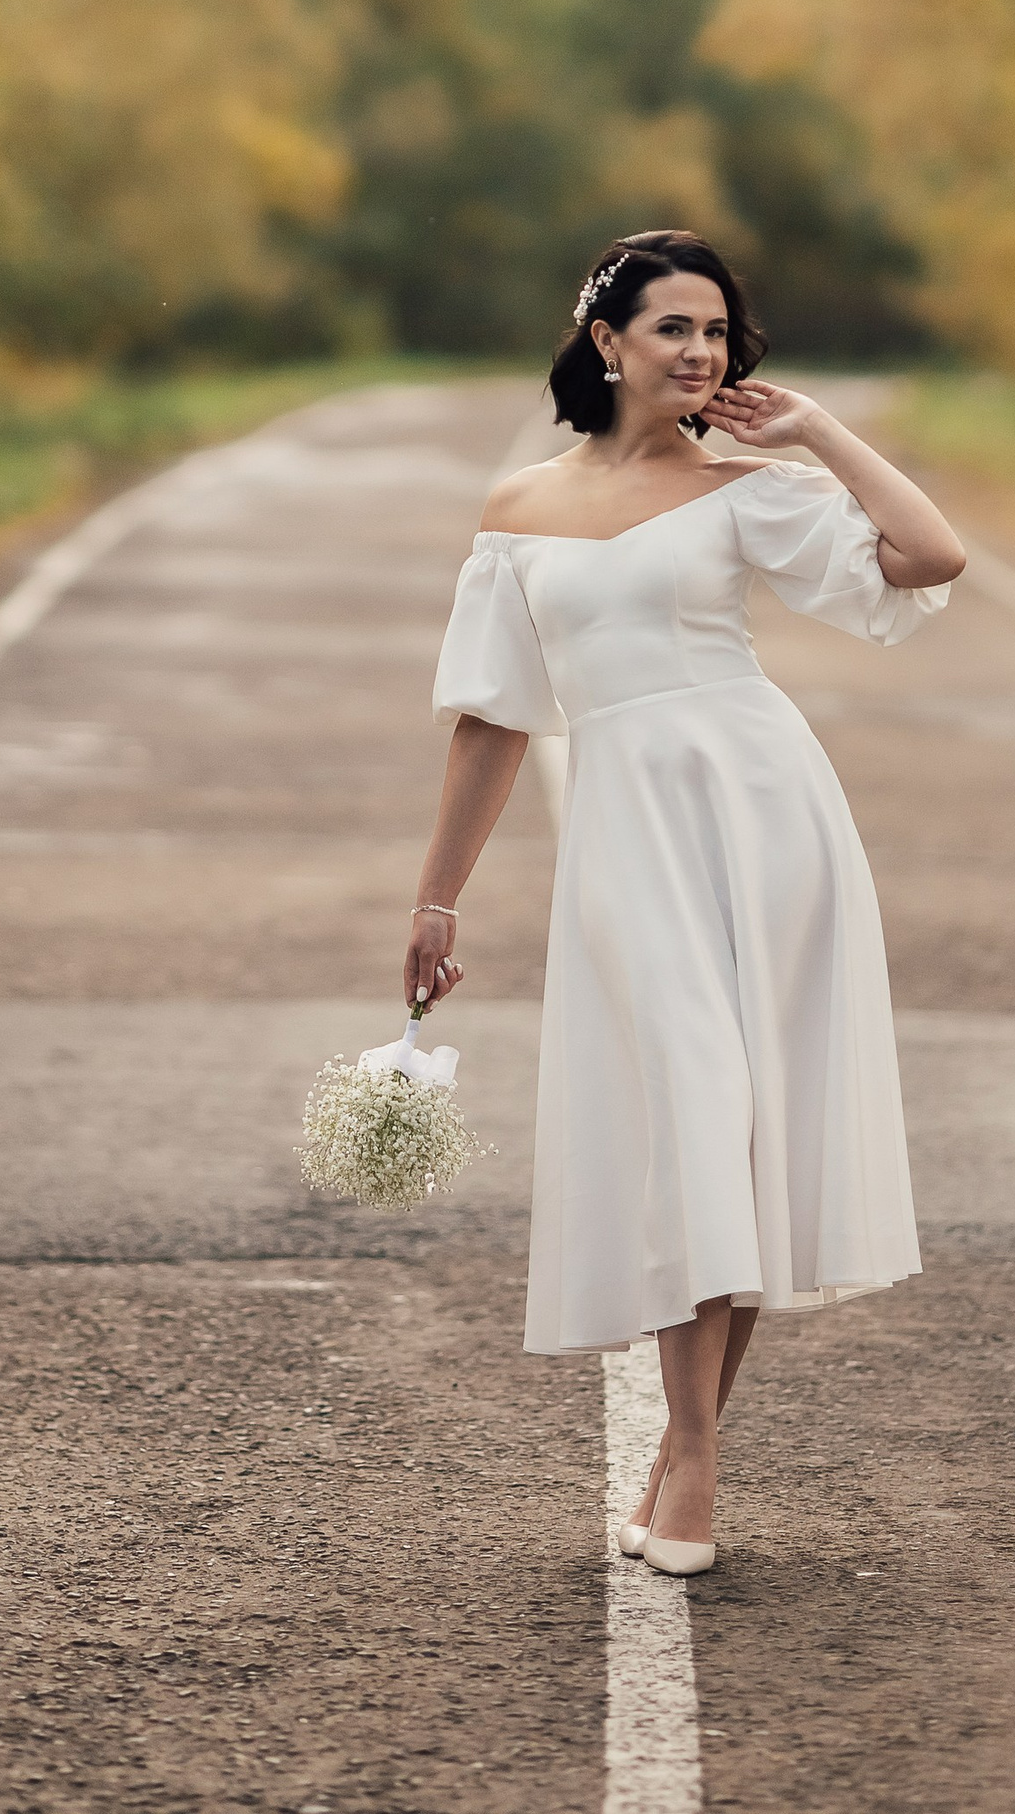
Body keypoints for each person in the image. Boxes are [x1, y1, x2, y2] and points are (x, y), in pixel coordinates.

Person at [403, 225, 966, 1579]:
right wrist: (437, 901)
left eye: (717, 330)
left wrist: (817, 430)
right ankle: (691, 1447)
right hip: (628, 830)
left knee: (748, 1129)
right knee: (692, 1113)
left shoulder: (744, 490)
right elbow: (492, 718)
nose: (701, 350)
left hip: (769, 814)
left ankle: (690, 1456)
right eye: (674, 327)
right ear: (607, 340)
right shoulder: (519, 510)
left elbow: (930, 555)